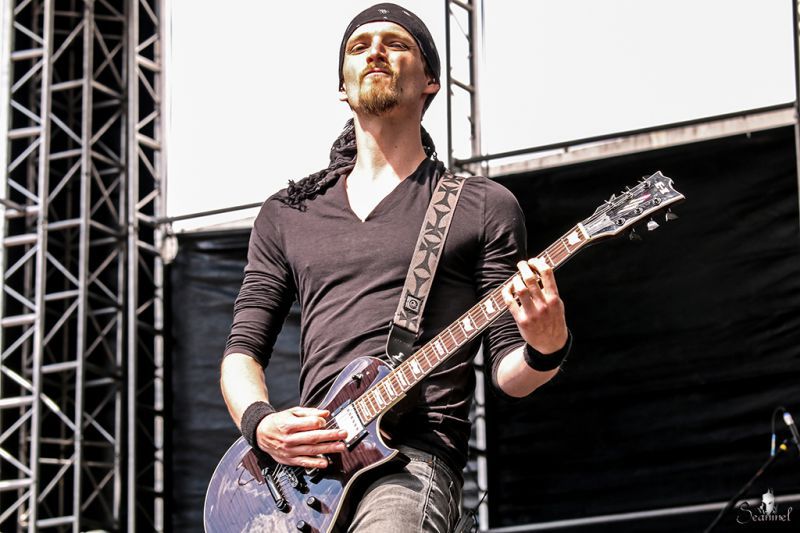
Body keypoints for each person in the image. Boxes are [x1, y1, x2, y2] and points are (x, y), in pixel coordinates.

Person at [220, 3, 571, 532]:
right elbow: (242, 350)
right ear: (342, 87)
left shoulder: (481, 205)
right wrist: (259, 423)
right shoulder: (289, 212)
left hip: (412, 463)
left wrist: (547, 346)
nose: (376, 53)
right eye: (359, 47)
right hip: (305, 476)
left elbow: (510, 376)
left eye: (396, 43)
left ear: (430, 81)